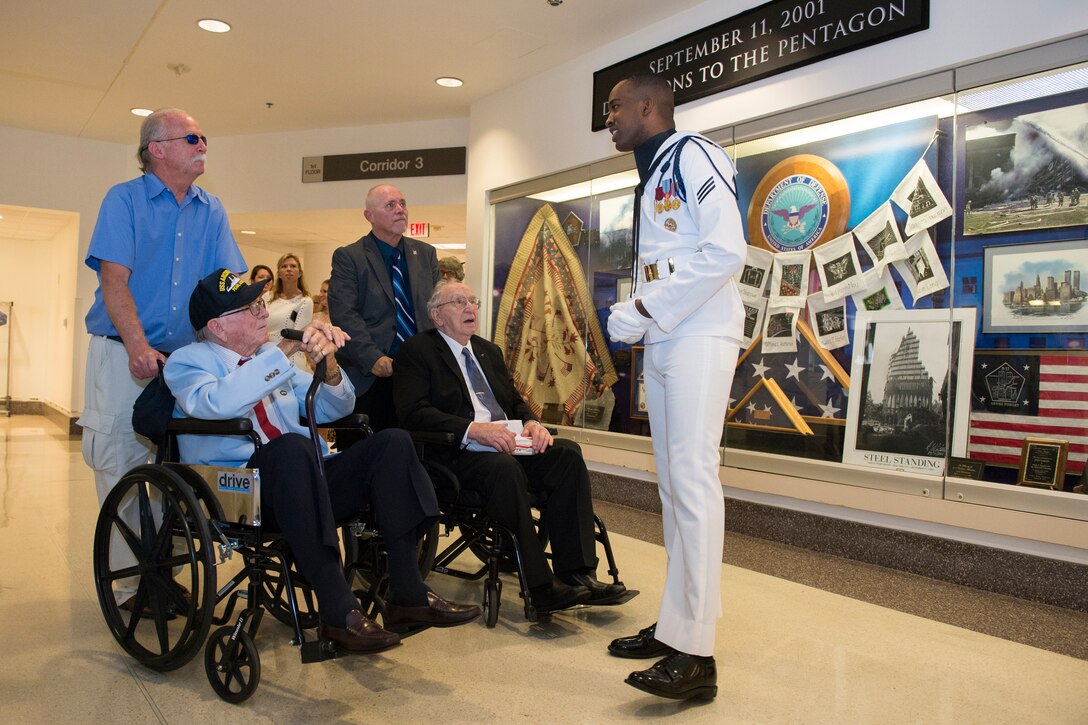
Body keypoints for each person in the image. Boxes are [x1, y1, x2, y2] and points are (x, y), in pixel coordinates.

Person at [164, 270, 480, 653]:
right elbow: (216, 405)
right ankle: (338, 610)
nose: (264, 313)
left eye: (261, 304)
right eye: (251, 308)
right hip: (241, 488)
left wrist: (326, 364)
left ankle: (408, 593)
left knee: (392, 443)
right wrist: (283, 355)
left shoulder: (266, 356)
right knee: (292, 449)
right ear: (217, 326)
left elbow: (335, 408)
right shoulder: (187, 361)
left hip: (301, 479)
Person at [602, 74, 747, 701]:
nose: (607, 118)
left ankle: (698, 654)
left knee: (692, 483)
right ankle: (675, 623)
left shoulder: (694, 154)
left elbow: (725, 252)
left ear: (645, 106)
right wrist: (643, 311)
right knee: (672, 488)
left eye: (613, 108)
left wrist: (645, 305)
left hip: (699, 332)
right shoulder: (652, 171)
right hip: (666, 337)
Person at [78, 107, 246, 611]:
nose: (202, 145)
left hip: (184, 362)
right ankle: (131, 584)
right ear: (157, 148)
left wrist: (251, 340)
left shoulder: (210, 209)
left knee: (178, 471)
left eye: (204, 137)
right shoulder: (124, 200)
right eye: (192, 137)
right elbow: (114, 280)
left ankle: (166, 574)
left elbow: (225, 286)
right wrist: (136, 347)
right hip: (123, 352)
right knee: (122, 466)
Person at [393, 280, 630, 613]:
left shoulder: (488, 351)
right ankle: (541, 587)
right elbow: (414, 413)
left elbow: (513, 402)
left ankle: (578, 575)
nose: (469, 307)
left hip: (508, 444)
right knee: (504, 469)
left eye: (472, 300)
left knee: (566, 454)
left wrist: (532, 423)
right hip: (456, 456)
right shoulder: (417, 351)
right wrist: (475, 430)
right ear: (437, 315)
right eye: (458, 302)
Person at [329, 184, 439, 432]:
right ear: (369, 216)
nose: (400, 210)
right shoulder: (350, 257)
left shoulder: (425, 254)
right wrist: (373, 359)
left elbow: (436, 311)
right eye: (390, 205)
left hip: (420, 375)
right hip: (370, 375)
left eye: (403, 203)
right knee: (373, 455)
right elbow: (345, 315)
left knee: (420, 451)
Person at [266, 253, 313, 369]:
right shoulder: (267, 297)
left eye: (293, 266)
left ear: (300, 273)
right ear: (279, 274)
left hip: (291, 357)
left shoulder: (305, 301)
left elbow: (297, 335)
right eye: (284, 266)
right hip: (265, 353)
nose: (288, 269)